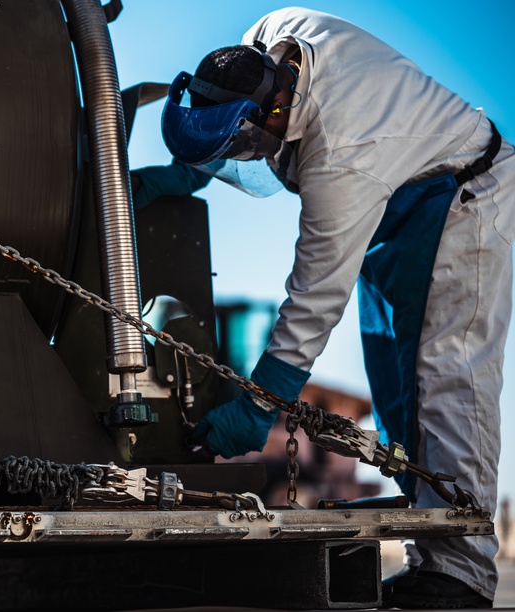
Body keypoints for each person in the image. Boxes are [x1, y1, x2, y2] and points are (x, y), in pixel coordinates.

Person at [155, 7, 513, 609]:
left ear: (273, 115)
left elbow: (313, 303)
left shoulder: (342, 155)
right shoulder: (264, 40)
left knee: (448, 378)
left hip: (465, 194)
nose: (243, 160)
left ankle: (461, 577)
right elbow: (234, 103)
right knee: (400, 398)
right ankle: (434, 560)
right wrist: (192, 169)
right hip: (400, 199)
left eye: (242, 148)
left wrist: (258, 404)